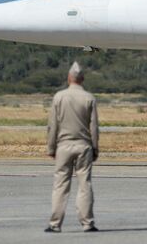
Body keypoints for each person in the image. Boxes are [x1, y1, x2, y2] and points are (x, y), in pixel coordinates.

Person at [45, 61, 99, 233]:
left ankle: (55, 224)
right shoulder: (89, 98)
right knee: (85, 185)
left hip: (64, 145)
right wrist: (95, 148)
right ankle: (87, 223)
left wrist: (51, 148)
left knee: (60, 185)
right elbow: (94, 127)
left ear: (69, 78)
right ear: (82, 79)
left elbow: (52, 125)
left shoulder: (59, 97)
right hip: (84, 146)